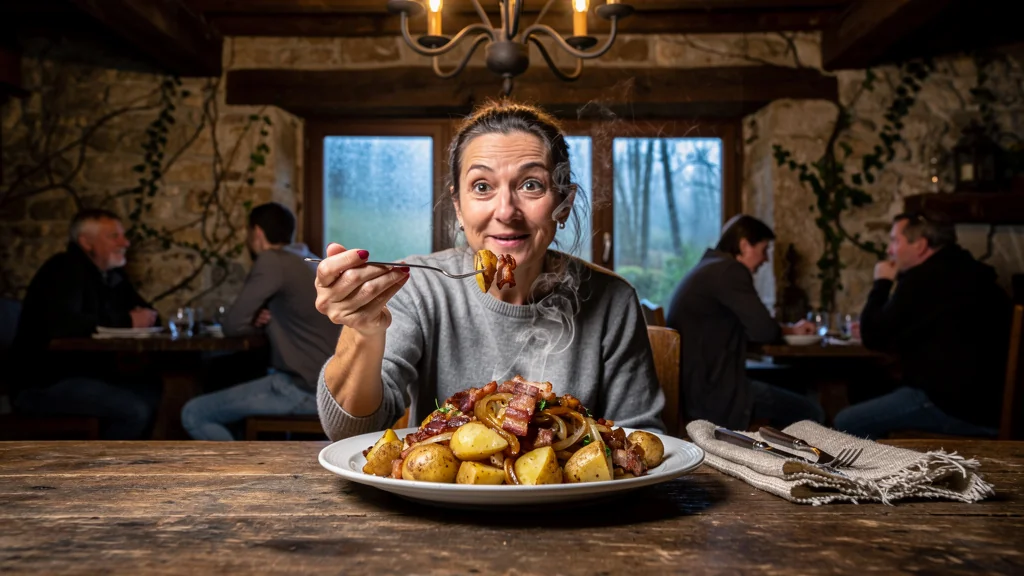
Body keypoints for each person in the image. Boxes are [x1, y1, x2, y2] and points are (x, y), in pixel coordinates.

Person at [312, 101, 665, 441]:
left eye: (531, 184)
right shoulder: (419, 286)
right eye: (482, 187)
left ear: (564, 204)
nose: (506, 211)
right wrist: (363, 330)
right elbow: (349, 432)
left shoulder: (613, 300)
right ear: (459, 209)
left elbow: (641, 440)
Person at [833, 213, 1011, 439]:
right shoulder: (970, 273)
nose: (890, 250)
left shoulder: (924, 280)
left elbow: (874, 336)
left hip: (955, 406)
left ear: (920, 245)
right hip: (988, 403)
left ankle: (878, 473)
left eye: (895, 241)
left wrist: (882, 282)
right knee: (867, 386)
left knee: (845, 422)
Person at [181, 203, 341, 440]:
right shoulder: (309, 259)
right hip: (332, 386)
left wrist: (253, 319)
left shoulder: (272, 261)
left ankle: (239, 473)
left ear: (257, 232)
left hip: (304, 389)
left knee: (194, 413)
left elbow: (232, 325)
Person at [11, 208, 161, 439]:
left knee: (151, 390)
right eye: (114, 236)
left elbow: (149, 314)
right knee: (135, 409)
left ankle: (131, 466)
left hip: (89, 375)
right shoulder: (63, 269)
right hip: (45, 382)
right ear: (86, 242)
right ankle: (105, 470)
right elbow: (63, 323)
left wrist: (145, 317)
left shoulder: (112, 276)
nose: (126, 242)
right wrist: (126, 320)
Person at [665, 214, 824, 430]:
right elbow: (764, 331)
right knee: (812, 411)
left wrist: (789, 329)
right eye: (764, 250)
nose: (765, 259)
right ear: (744, 245)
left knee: (794, 381)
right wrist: (786, 330)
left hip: (697, 391)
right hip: (716, 396)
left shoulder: (711, 267)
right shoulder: (730, 271)